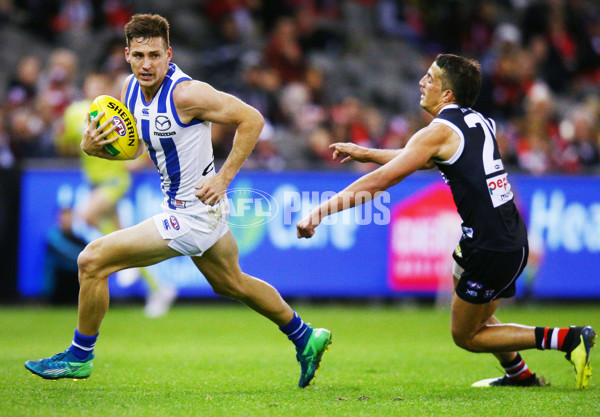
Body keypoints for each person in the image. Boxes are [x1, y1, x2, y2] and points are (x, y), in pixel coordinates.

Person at [25, 13, 331, 388]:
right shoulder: (130, 90)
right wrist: (94, 150)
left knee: (91, 260)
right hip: (189, 208)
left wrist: (224, 178)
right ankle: (305, 336)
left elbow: (251, 119)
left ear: (169, 54)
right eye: (139, 55)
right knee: (231, 282)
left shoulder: (187, 94)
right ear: (127, 55)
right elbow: (136, 148)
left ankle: (79, 356)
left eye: (155, 55)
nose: (147, 64)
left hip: (194, 213)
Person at [297, 53, 595, 389]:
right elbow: (424, 159)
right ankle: (520, 375)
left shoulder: (438, 131)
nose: (422, 82)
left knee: (466, 335)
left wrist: (321, 210)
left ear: (448, 94)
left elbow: (380, 181)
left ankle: (567, 339)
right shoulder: (479, 121)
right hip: (501, 235)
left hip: (491, 245)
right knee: (471, 304)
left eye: (430, 78)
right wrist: (368, 153)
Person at [56, 71, 177, 317]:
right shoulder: (74, 112)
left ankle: (122, 260)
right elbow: (65, 144)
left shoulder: (117, 114)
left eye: (100, 85)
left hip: (115, 181)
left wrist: (137, 161)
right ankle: (158, 288)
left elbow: (140, 144)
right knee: (123, 237)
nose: (95, 89)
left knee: (86, 216)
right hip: (94, 182)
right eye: (91, 84)